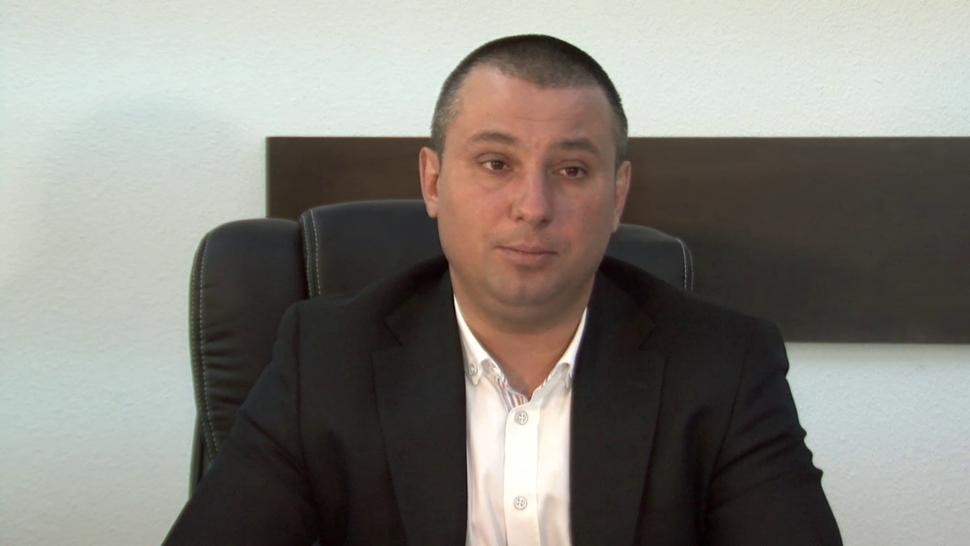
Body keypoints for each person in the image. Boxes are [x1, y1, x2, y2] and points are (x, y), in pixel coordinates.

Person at [163, 35, 841, 545]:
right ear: (433, 182)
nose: (533, 206)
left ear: (617, 195)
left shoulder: (723, 365)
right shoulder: (324, 359)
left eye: (572, 170)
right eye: (495, 163)